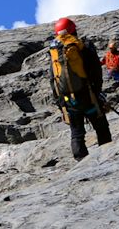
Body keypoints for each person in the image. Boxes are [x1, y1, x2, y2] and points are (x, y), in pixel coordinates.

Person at [48, 19, 113, 160]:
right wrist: (98, 91)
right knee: (101, 127)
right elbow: (95, 70)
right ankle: (107, 156)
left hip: (69, 101)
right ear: (73, 30)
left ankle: (81, 161)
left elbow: (53, 78)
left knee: (77, 133)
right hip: (88, 96)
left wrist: (60, 102)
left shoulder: (54, 51)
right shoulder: (83, 46)